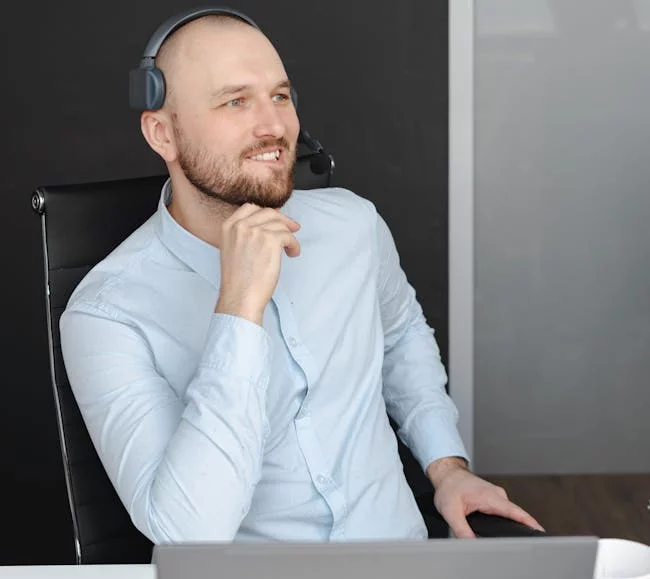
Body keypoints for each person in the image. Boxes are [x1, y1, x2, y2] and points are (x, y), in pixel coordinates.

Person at [60, 10, 543, 543]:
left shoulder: (353, 225)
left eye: (281, 96)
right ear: (162, 134)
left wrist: (446, 466)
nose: (273, 126)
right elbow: (190, 534)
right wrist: (239, 306)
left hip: (400, 569)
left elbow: (402, 338)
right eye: (235, 101)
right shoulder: (107, 313)